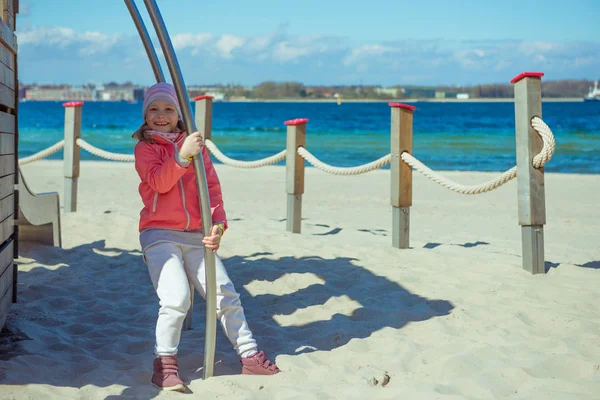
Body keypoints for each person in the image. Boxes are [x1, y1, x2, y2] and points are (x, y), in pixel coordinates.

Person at [133, 82, 280, 392]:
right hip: (159, 234)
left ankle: (250, 356)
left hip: (196, 235)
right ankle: (165, 365)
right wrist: (181, 157)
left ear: (179, 113)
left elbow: (211, 190)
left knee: (225, 293)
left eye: (169, 109)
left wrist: (218, 226)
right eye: (154, 110)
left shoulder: (196, 147)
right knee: (177, 298)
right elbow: (159, 183)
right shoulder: (146, 148)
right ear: (145, 115)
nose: (162, 115)